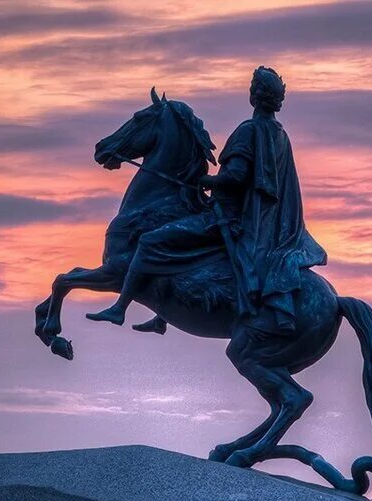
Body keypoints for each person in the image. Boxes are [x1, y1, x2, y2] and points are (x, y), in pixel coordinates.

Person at [88, 66, 325, 328]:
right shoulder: (280, 135)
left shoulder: (249, 130)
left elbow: (235, 175)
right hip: (255, 221)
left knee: (150, 241)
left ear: (254, 96)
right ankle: (162, 316)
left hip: (226, 217)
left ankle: (119, 308)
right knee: (178, 238)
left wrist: (207, 180)